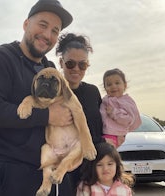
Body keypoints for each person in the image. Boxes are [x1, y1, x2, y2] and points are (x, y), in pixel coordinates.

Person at [0, 0, 73, 195]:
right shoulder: (0, 58)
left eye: (55, 31)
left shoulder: (50, 69)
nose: (47, 35)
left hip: (52, 170)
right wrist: (46, 116)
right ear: (26, 24)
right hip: (13, 173)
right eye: (43, 25)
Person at [55, 33, 105, 194]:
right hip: (63, 169)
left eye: (82, 65)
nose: (76, 69)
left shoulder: (92, 92)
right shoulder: (52, 93)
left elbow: (100, 128)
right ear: (61, 63)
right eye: (70, 64)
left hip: (91, 168)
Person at [100, 68, 141, 148]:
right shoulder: (104, 100)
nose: (113, 86)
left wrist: (114, 113)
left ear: (125, 85)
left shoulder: (126, 101)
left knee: (104, 152)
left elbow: (129, 119)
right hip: (104, 133)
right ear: (105, 88)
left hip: (116, 134)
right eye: (109, 84)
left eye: (117, 83)